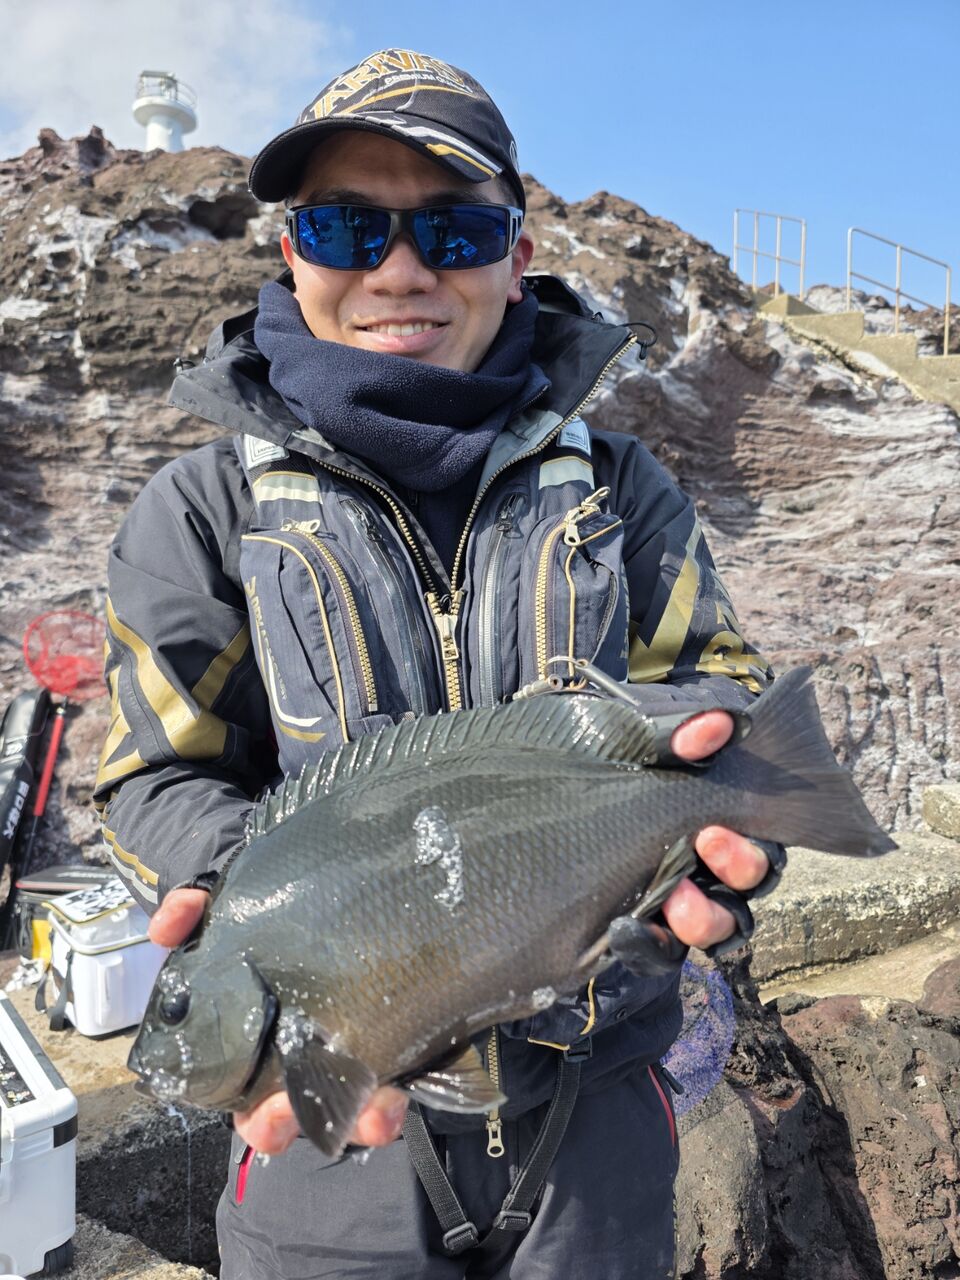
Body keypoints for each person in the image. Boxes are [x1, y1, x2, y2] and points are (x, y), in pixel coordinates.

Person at [95, 48, 781, 1280]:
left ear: (519, 255)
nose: (400, 271)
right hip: (327, 1127)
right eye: (345, 226)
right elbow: (156, 770)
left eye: (455, 230)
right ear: (291, 250)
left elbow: (718, 691)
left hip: (597, 1114)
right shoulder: (199, 512)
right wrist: (263, 895)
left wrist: (727, 824)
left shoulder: (623, 487)